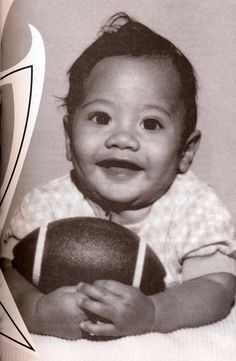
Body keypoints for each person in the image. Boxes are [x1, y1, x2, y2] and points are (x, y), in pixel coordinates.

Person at [1, 13, 236, 340]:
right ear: (69, 138)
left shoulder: (192, 207)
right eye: (101, 118)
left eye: (150, 124)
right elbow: (7, 273)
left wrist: (156, 312)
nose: (122, 139)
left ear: (185, 152)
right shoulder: (49, 204)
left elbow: (218, 286)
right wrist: (33, 308)